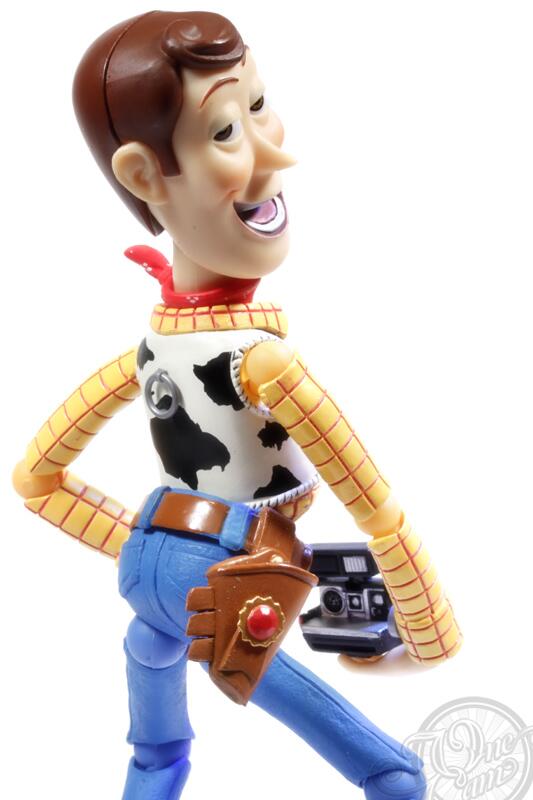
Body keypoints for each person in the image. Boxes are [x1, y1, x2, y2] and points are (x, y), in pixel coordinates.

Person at [13, 11, 461, 800]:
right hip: (225, 574)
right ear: (143, 178)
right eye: (225, 128)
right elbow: (372, 502)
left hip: (152, 565)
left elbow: (36, 479)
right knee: (394, 776)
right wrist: (426, 628)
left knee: (154, 705)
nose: (276, 152)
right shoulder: (262, 362)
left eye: (259, 104)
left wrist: (145, 539)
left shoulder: (146, 349)